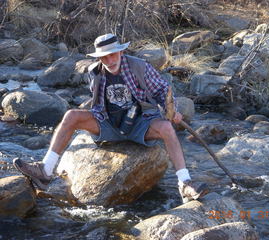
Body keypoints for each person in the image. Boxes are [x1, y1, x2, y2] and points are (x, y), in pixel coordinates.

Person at [13, 33, 208, 203]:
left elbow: (163, 89)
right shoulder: (94, 72)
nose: (109, 60)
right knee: (71, 115)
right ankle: (46, 171)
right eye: (104, 57)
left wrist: (170, 109)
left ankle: (184, 183)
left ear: (121, 52)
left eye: (113, 54)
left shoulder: (140, 67)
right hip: (109, 123)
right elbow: (97, 102)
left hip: (140, 124)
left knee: (166, 128)